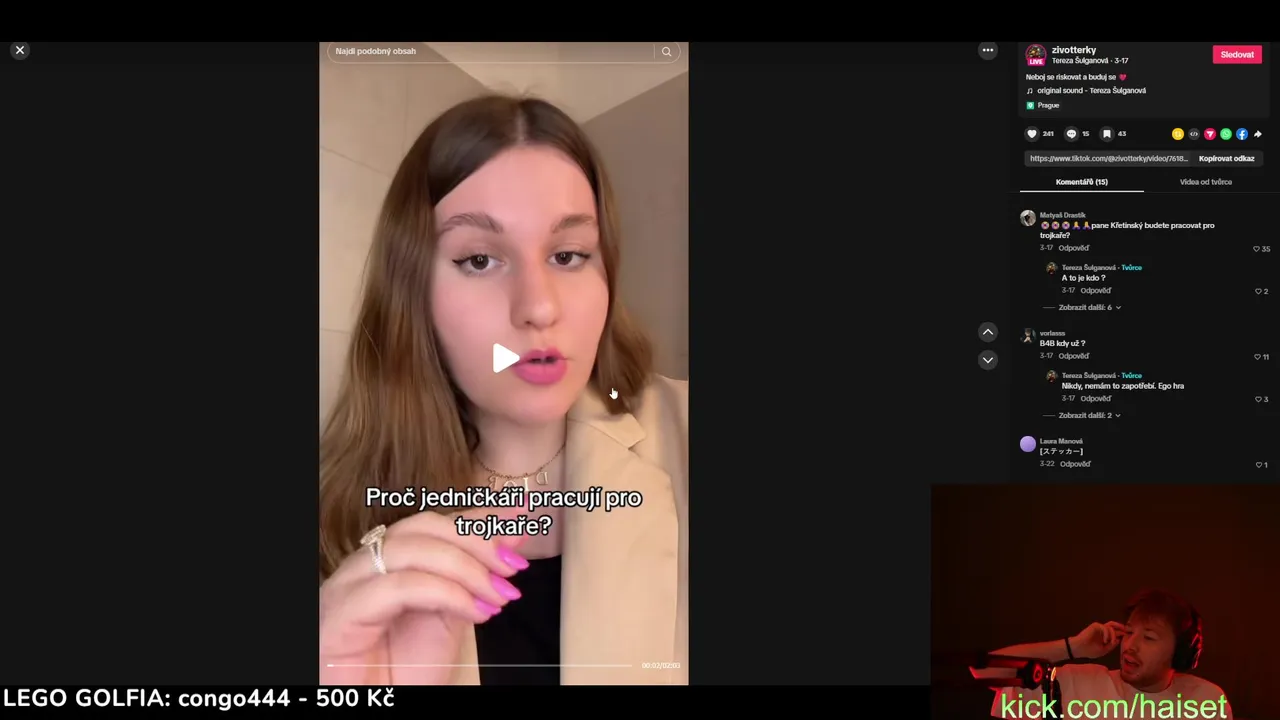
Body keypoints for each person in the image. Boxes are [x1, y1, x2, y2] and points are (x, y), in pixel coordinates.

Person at [317, 94, 689, 686]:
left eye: (568, 255)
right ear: (413, 292)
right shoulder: (332, 515)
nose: (539, 307)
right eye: (479, 261)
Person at [976, 589, 1232, 719]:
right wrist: (1073, 647)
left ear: (1181, 650)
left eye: (1149, 637)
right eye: (1129, 632)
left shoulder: (1205, 700)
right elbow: (984, 671)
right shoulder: (1077, 684)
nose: (1131, 645)